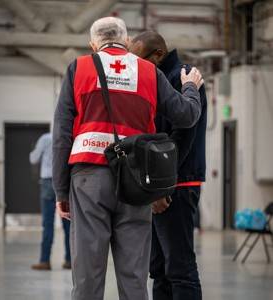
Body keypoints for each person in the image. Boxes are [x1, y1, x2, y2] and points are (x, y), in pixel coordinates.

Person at [53, 17, 204, 300]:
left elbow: (62, 134)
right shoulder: (148, 71)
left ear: (93, 45)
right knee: (134, 275)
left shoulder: (79, 68)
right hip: (135, 182)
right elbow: (186, 116)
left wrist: (61, 190)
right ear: (125, 42)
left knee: (87, 272)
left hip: (88, 178)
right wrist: (190, 87)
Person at [129, 31, 207, 300]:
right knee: (158, 269)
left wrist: (163, 187)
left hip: (177, 184)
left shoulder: (183, 78)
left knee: (180, 268)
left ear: (158, 55)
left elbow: (182, 136)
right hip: (159, 185)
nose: (133, 65)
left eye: (138, 59)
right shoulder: (154, 78)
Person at [29, 132, 71, 270]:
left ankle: (45, 261)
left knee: (48, 223)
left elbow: (33, 159)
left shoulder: (45, 138)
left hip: (48, 182)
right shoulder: (69, 137)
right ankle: (69, 260)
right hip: (65, 182)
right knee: (68, 224)